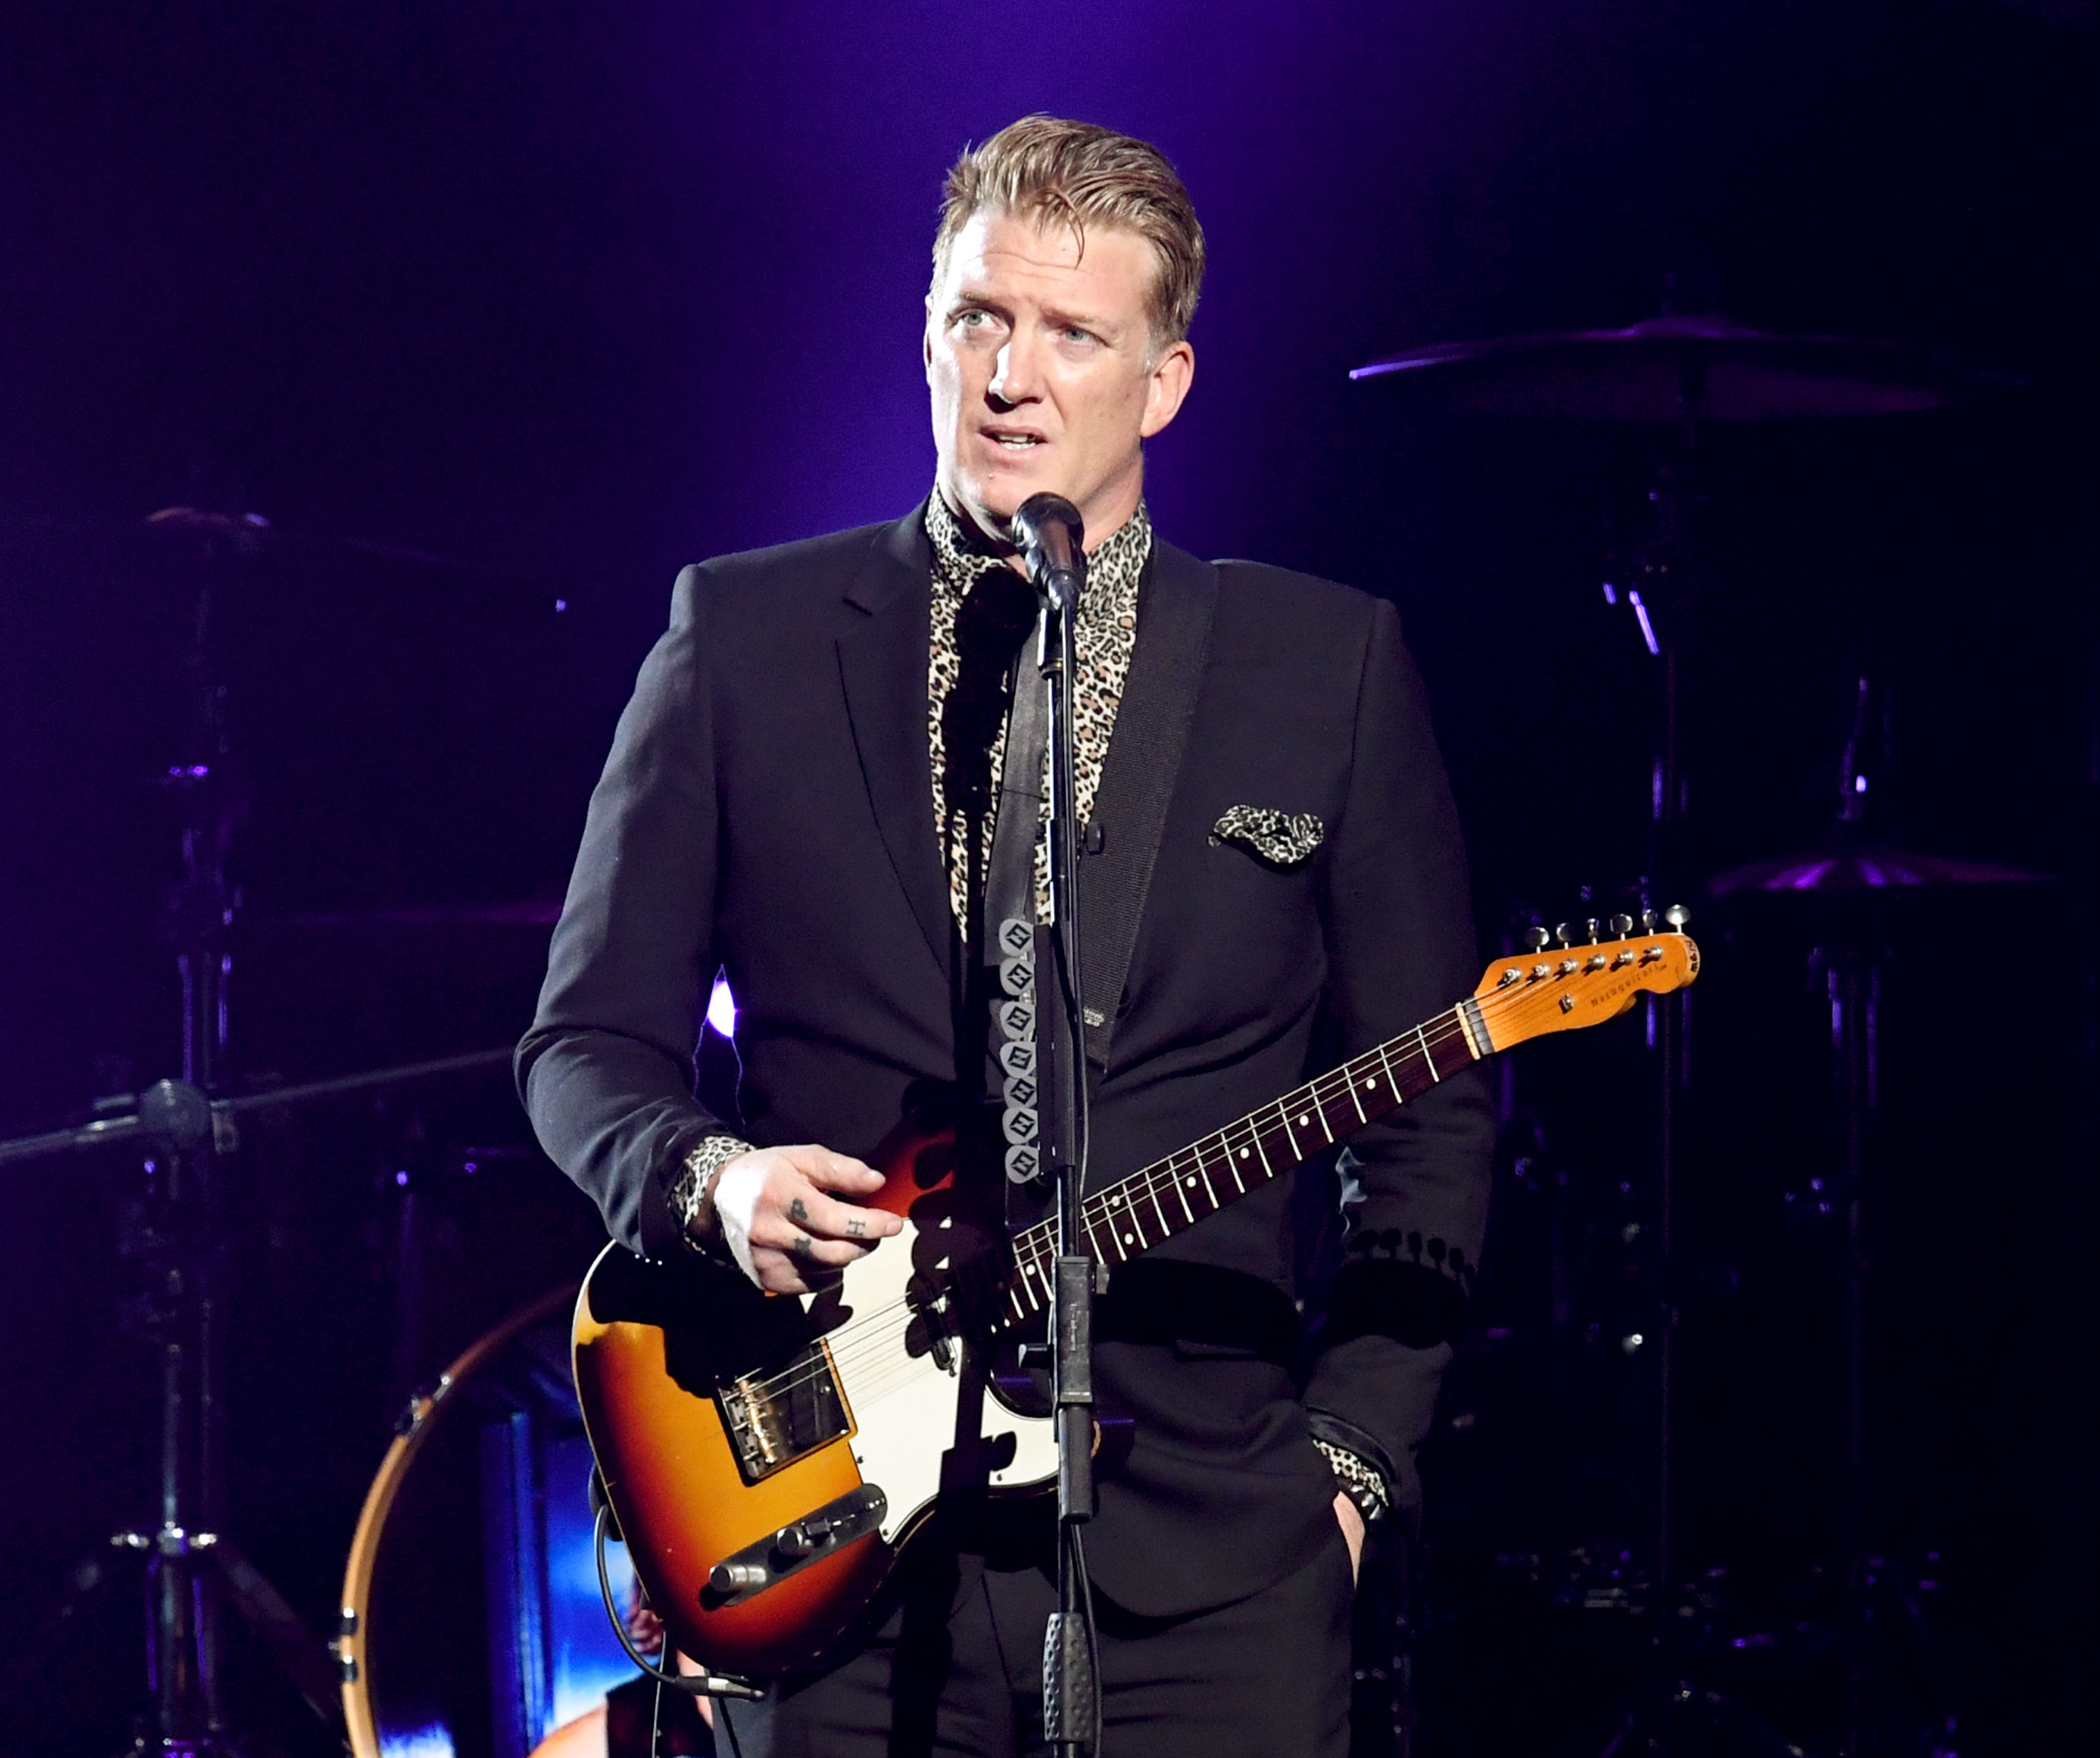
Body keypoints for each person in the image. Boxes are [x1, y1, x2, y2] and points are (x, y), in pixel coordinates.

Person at [519, 115, 1493, 1758]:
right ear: (927, 331)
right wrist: (714, 1178)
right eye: (978, 318)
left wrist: (1350, 1476)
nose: (1011, 375)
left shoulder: (1320, 667)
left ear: (1164, 381)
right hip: (836, 1551)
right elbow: (583, 1046)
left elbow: (1434, 1114)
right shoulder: (740, 637)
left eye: (1071, 333)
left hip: (1218, 1559)